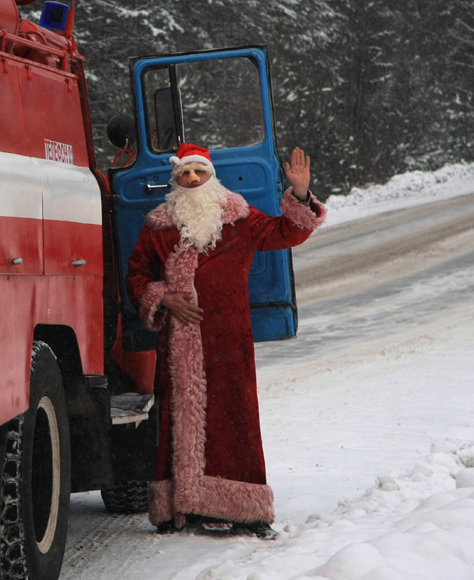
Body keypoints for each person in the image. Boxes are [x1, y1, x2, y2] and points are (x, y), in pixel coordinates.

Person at [125, 142, 326, 538]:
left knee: (235, 419)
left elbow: (287, 231)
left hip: (230, 340)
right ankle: (183, 506)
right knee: (179, 420)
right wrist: (163, 298)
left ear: (211, 175)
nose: (193, 179)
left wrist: (300, 193)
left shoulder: (239, 218)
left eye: (199, 172)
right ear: (175, 180)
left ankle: (245, 509)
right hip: (179, 343)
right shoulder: (159, 226)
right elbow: (136, 276)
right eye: (185, 174)